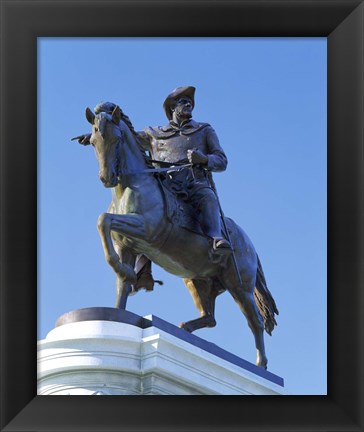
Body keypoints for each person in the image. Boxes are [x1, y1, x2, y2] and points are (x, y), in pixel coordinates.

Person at [75, 87, 231, 291]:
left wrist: (204, 159)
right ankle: (143, 270)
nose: (188, 104)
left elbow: (222, 160)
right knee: (140, 208)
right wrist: (96, 133)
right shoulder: (155, 134)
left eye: (190, 102)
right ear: (172, 108)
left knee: (207, 197)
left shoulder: (204, 130)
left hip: (193, 183)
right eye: (183, 101)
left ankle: (214, 238)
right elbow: (124, 135)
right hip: (165, 183)